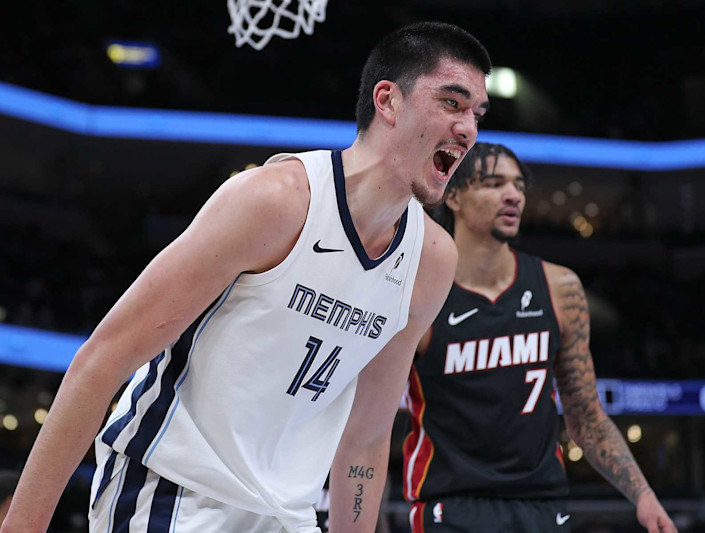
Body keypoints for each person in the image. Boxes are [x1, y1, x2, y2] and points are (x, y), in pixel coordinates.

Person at [2, 22, 491, 533]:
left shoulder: (431, 260)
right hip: (173, 494)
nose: (469, 130)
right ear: (387, 100)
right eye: (452, 104)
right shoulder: (275, 201)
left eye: (477, 114)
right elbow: (100, 361)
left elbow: (366, 437)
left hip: (289, 515)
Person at [402, 143, 677, 532]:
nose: (513, 194)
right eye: (494, 183)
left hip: (543, 505)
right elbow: (372, 422)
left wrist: (644, 495)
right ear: (455, 196)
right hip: (451, 505)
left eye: (518, 185)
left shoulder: (560, 287)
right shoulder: (419, 290)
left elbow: (586, 416)